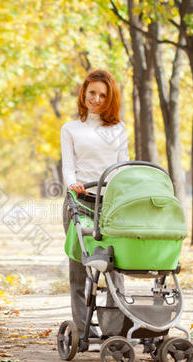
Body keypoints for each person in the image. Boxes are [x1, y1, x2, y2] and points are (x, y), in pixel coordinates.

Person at [60, 69, 129, 337]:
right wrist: (72, 185)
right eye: (92, 93)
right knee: (80, 267)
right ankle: (83, 328)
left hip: (110, 203)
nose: (96, 99)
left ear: (110, 98)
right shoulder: (71, 128)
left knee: (115, 265)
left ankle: (114, 331)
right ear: (84, 93)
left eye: (103, 95)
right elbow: (68, 166)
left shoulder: (117, 129)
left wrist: (121, 190)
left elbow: (122, 165)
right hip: (80, 201)